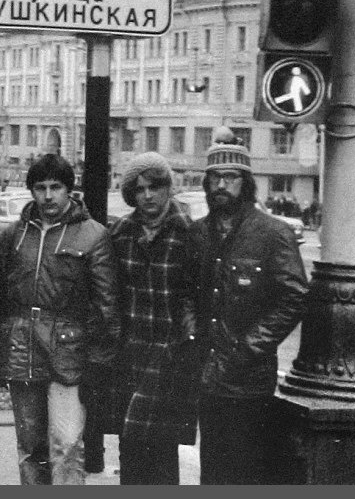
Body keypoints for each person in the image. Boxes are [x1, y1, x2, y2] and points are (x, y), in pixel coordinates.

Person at [189, 128, 308, 485]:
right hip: (207, 372)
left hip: (249, 377)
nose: (221, 185)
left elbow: (294, 296)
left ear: (246, 182)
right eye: (214, 178)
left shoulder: (273, 233)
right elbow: (185, 293)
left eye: (230, 177)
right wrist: (192, 334)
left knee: (245, 467)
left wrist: (248, 347)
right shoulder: (198, 233)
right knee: (212, 465)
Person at [0, 154, 119, 485]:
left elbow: (106, 306)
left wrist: (98, 362)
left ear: (69, 190)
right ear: (31, 190)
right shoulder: (14, 235)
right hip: (23, 350)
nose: (48, 196)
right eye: (40, 188)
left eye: (56, 187)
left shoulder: (93, 235)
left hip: (69, 354)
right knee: (30, 447)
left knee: (66, 445)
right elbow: (0, 297)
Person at [106, 152, 199, 485]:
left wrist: (188, 341)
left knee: (161, 449)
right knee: (129, 445)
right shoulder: (121, 232)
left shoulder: (189, 233)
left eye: (155, 187)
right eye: (139, 189)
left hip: (170, 356)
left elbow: (195, 296)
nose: (147, 196)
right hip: (130, 354)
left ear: (167, 188)